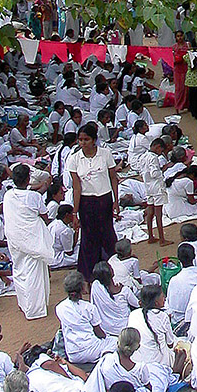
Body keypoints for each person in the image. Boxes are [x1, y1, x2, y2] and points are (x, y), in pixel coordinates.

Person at [2, 163, 54, 320]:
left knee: (19, 270)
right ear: (28, 179)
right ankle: (34, 310)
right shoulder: (34, 197)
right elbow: (44, 216)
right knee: (33, 273)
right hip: (31, 239)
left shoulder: (8, 195)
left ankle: (24, 304)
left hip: (14, 239)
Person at [69, 128, 119, 280]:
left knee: (107, 234)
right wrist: (75, 212)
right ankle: (88, 275)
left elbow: (113, 178)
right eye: (80, 140)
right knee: (89, 238)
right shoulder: (74, 159)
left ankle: (114, 270)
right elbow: (76, 187)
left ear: (94, 140)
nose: (83, 143)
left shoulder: (105, 154)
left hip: (104, 199)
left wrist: (116, 200)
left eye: (86, 140)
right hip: (87, 202)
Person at [55, 270, 117, 364]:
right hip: (90, 350)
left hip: (72, 354)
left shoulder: (59, 307)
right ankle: (104, 359)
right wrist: (107, 337)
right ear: (82, 288)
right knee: (115, 341)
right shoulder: (89, 308)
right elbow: (99, 333)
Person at [90, 261, 140, 335]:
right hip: (124, 328)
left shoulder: (95, 287)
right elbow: (138, 304)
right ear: (112, 272)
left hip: (106, 329)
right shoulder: (125, 290)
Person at [172, 31, 190, 114]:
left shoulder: (188, 45)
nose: (179, 38)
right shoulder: (174, 47)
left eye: (181, 36)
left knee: (187, 88)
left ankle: (187, 105)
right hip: (177, 70)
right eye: (178, 36)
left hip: (186, 68)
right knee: (179, 89)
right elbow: (171, 59)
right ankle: (177, 107)